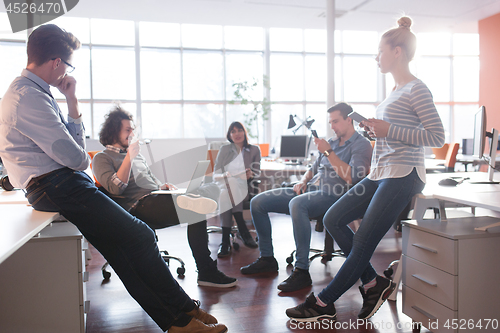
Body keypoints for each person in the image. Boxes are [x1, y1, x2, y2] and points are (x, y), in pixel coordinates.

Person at [0, 24, 227, 333]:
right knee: (141, 236)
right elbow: (77, 158)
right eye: (67, 65)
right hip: (57, 184)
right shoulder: (28, 99)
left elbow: (73, 151)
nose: (65, 72)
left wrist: (72, 102)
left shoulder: (36, 95)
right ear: (56, 63)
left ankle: (180, 316)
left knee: (124, 252)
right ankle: (180, 313)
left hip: (60, 183)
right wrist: (79, 152)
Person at [286, 16, 445, 323]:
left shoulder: (416, 89)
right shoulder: (395, 90)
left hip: (404, 174)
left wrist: (390, 130)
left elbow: (437, 137)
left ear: (397, 51)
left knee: (362, 242)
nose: (376, 57)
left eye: (380, 51)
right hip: (380, 172)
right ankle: (373, 283)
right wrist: (376, 131)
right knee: (333, 217)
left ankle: (322, 303)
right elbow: (393, 131)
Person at [92, 106, 238, 288]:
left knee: (207, 193)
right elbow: (115, 189)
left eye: (132, 129)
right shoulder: (102, 158)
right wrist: (129, 157)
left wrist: (164, 187)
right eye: (127, 130)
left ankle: (191, 199)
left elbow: (151, 181)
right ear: (114, 131)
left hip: (157, 197)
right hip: (139, 208)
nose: (132, 133)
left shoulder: (138, 157)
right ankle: (206, 271)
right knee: (197, 206)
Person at [240, 103, 373, 293]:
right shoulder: (331, 142)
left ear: (348, 119)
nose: (332, 126)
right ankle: (267, 259)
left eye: (335, 121)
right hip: (311, 190)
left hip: (335, 196)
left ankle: (301, 270)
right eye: (330, 122)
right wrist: (303, 180)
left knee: (297, 203)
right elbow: (313, 168)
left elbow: (353, 177)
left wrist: (328, 152)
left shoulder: (361, 145)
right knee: (258, 202)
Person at [212, 121, 261, 257]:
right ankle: (242, 226)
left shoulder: (254, 150)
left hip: (244, 188)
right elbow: (215, 175)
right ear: (229, 135)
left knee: (224, 195)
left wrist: (250, 174)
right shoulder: (225, 150)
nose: (237, 134)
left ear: (244, 132)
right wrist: (225, 175)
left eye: (239, 130)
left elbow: (257, 172)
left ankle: (225, 241)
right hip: (224, 184)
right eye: (233, 131)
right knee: (229, 184)